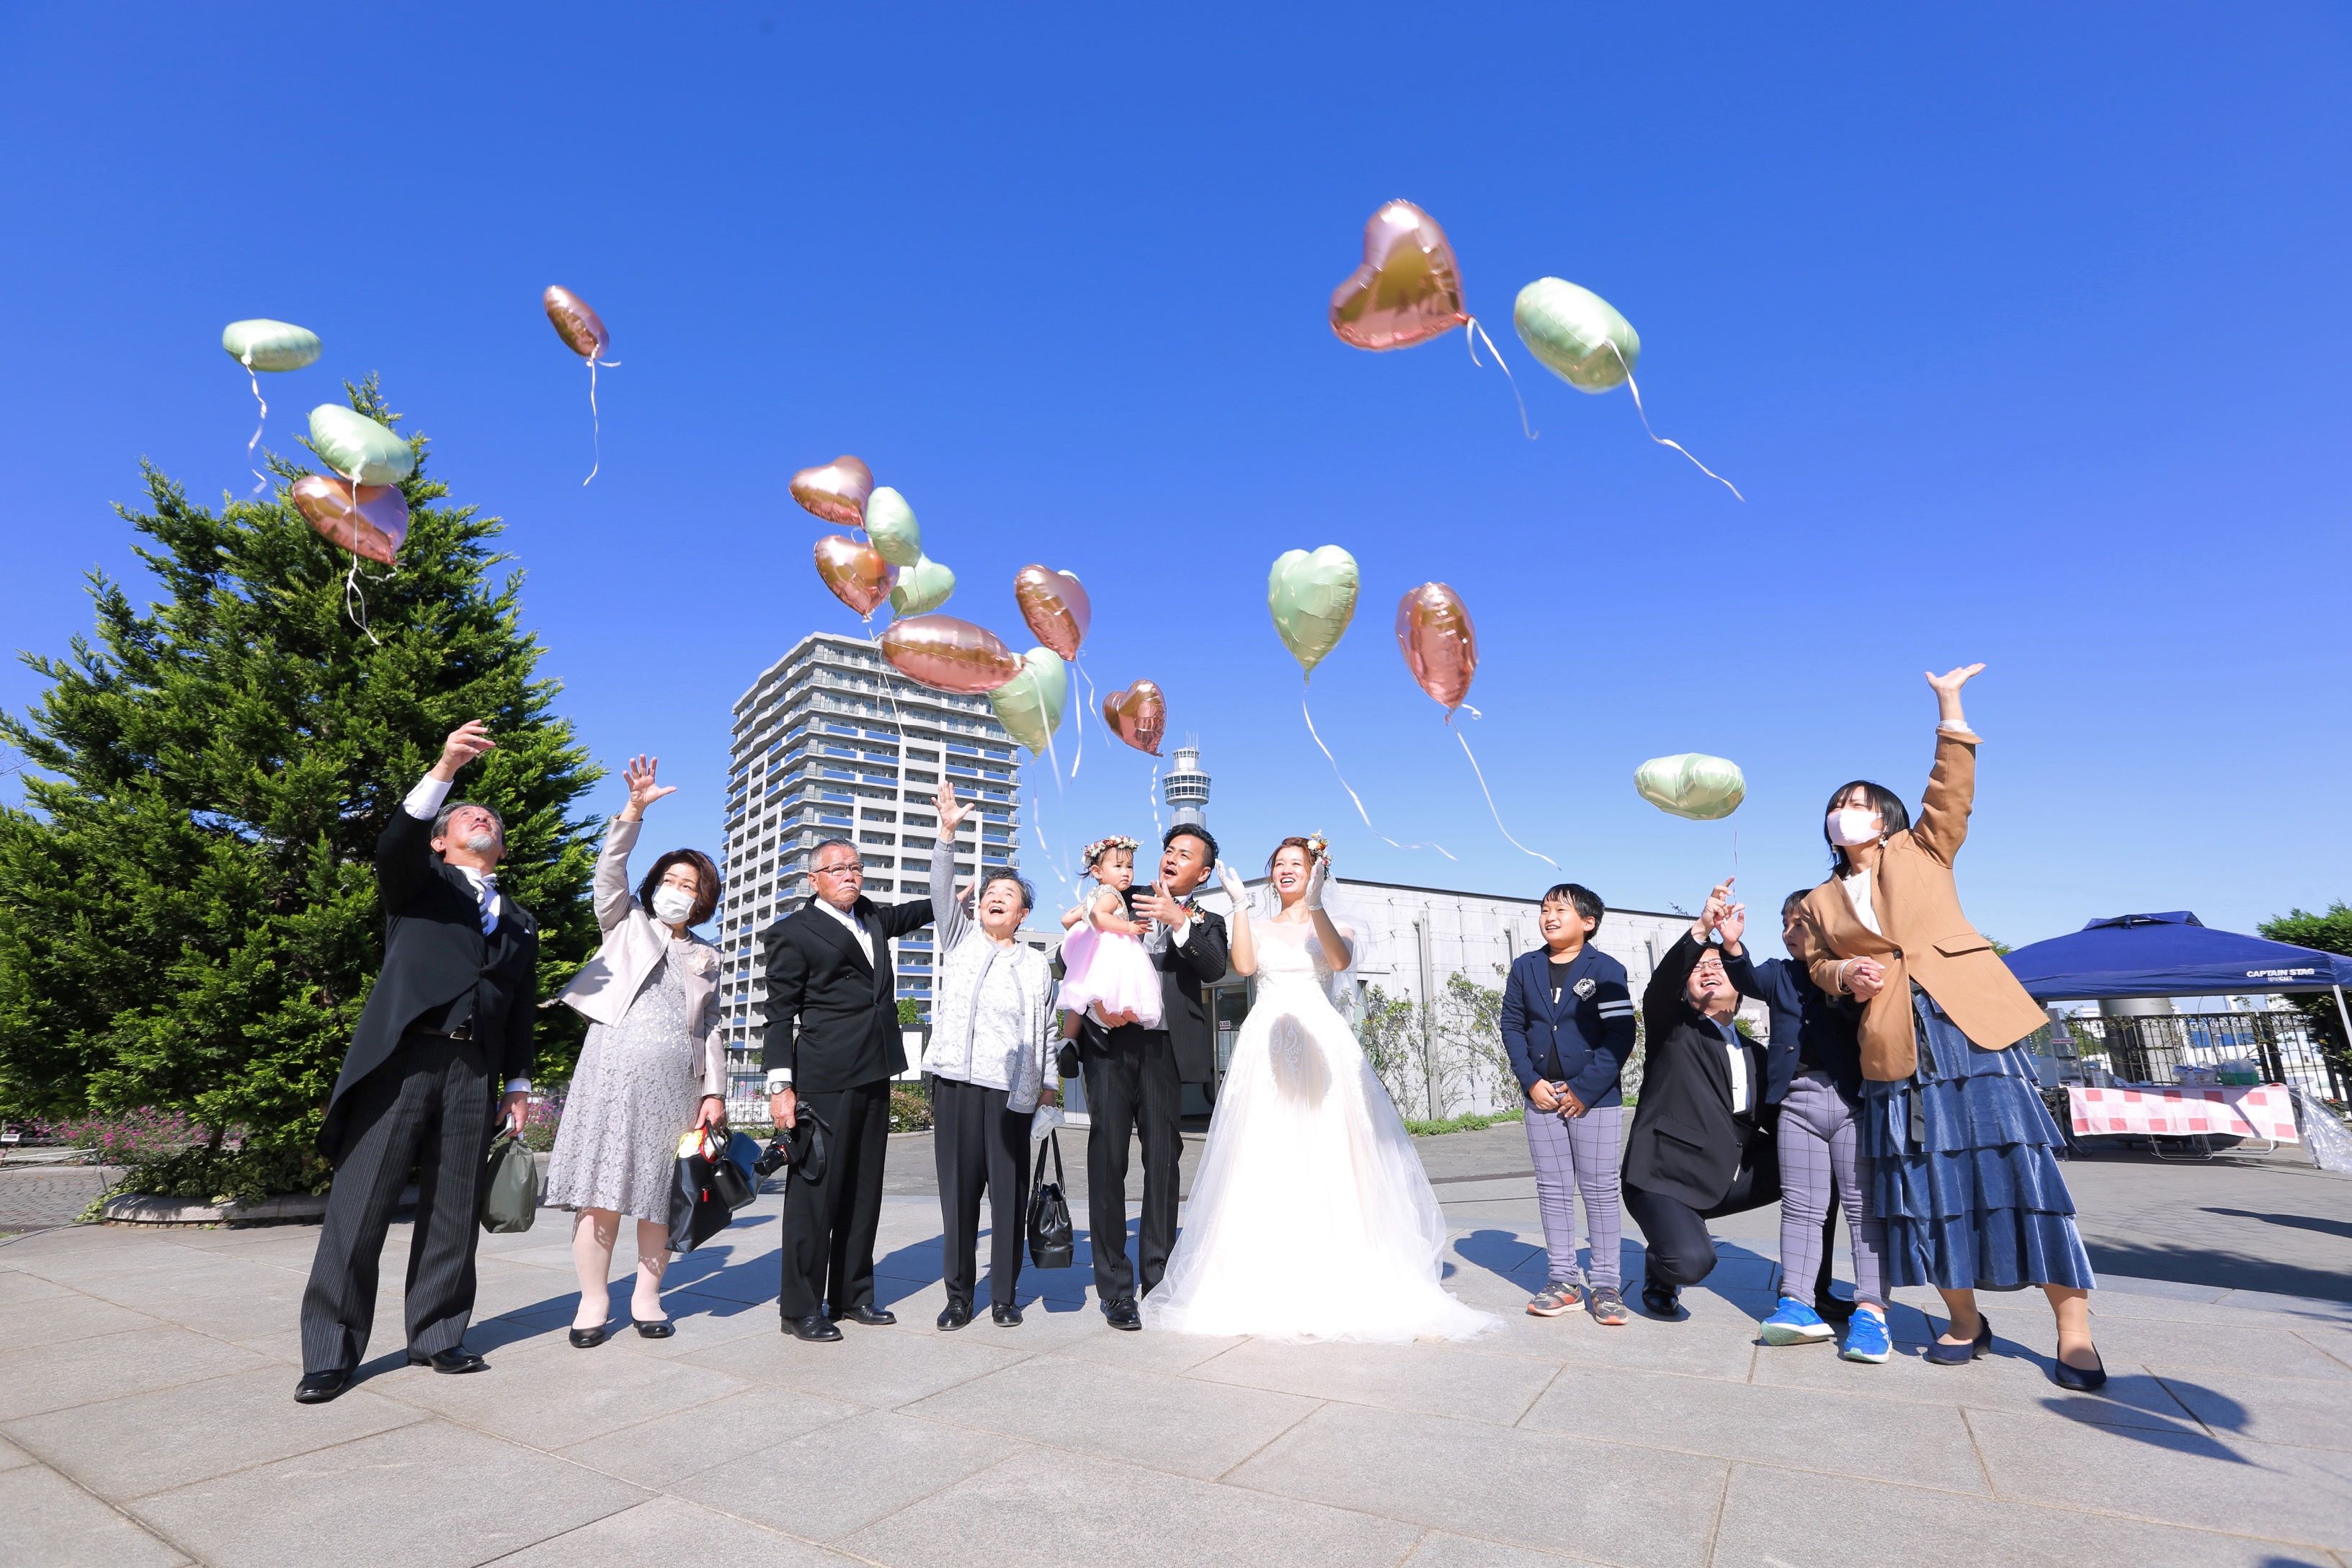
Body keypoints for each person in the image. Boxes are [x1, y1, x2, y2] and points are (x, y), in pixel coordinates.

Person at [1794, 664, 2103, 1390]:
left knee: (2018, 1169)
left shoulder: (1924, 848)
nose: (1849, 811)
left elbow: (1950, 784)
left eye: (1862, 803)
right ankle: (1964, 1320)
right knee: (1921, 1185)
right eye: (1839, 804)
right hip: (1895, 1045)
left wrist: (1950, 705)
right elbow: (1815, 967)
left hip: (1972, 1028)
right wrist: (1848, 975)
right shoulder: (1815, 899)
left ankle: (2074, 1327)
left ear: (1888, 818)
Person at [1142, 837, 1494, 1341]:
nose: (1286, 871)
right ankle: (1257, 1278)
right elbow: (1243, 967)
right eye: (1279, 865)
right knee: (1262, 1153)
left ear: (1315, 872)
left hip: (1321, 1044)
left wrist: (1315, 908)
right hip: (1264, 1041)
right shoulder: (1257, 924)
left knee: (1330, 1151)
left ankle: (1339, 1270)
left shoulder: (1334, 922)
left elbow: (1340, 960)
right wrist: (1240, 905)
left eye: (1296, 864)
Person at [296, 721, 538, 1404]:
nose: (479, 816)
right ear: (442, 838)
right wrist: (445, 769)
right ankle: (331, 1352)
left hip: (474, 1069)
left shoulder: (521, 921)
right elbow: (394, 843)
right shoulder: (420, 885)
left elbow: (517, 1007)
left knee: (453, 1207)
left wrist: (517, 1083)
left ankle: (436, 1333)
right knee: (362, 1203)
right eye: (465, 815)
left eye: (488, 816)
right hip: (402, 1058)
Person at [544, 754, 726, 1348]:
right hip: (611, 1074)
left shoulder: (707, 955)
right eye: (670, 881)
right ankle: (593, 1301)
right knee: (601, 1195)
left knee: (658, 1195)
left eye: (689, 886)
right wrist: (633, 812)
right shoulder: (625, 924)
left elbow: (713, 1027)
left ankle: (646, 1298)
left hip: (676, 1085)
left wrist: (714, 1091)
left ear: (703, 900)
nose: (677, 892)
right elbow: (608, 871)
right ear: (655, 886)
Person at [762, 835, 934, 1341]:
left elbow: (923, 910)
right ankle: (800, 1308)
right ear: (813, 879)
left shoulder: (874, 918)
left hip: (875, 1070)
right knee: (815, 1196)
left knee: (864, 1191)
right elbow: (779, 1015)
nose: (850, 876)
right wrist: (780, 1086)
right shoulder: (793, 932)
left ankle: (854, 1294)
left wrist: (952, 874)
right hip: (824, 1077)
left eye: (856, 867)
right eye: (837, 869)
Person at [1079, 823, 1229, 1329]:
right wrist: (1096, 1007)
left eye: (1184, 854)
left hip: (1166, 1050)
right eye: (1168, 849)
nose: (1170, 857)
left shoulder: (1208, 919)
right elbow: (1075, 945)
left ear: (1201, 872)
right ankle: (1115, 1288)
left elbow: (1213, 969)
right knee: (1107, 1159)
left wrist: (1178, 920)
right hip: (1112, 1042)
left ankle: (1158, 1278)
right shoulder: (1124, 894)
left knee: (1164, 1164)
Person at [921, 780, 1057, 1329]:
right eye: (988, 893)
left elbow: (1047, 1027)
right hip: (955, 1083)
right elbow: (939, 890)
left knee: (1006, 1197)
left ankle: (1003, 1296)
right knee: (959, 1199)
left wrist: (1046, 1087)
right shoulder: (959, 939)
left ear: (1023, 912)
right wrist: (947, 836)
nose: (994, 897)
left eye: (1007, 895)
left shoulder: (1035, 964)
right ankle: (958, 1297)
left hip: (1011, 1095)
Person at [1621, 883, 1780, 1319]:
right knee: (1691, 1262)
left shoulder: (1757, 1056)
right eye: (1699, 968)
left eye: (1720, 967)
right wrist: (1701, 930)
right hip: (1661, 1178)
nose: (1709, 971)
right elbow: (1661, 989)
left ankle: (1809, 1287)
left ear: (1741, 987)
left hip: (1720, 1176)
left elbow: (1783, 1123)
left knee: (1817, 1161)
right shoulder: (1674, 1030)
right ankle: (1659, 1264)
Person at [1750, 890, 1890, 1364]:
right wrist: (1727, 942)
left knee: (1862, 1208)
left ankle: (1872, 1313)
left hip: (1855, 1103)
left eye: (1801, 923)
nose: (1791, 933)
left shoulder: (1854, 968)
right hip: (1797, 1103)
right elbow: (1741, 976)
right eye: (1785, 923)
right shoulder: (1778, 972)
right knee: (1802, 1208)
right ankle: (1797, 1303)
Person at [1498, 883, 1636, 1324]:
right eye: (1544, 909)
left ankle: (1607, 1285)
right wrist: (1531, 1082)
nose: (1550, 916)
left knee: (1599, 1191)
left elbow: (1622, 1035)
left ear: (1588, 922)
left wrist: (1584, 1090)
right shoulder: (1526, 967)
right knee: (1553, 1189)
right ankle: (1563, 1280)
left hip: (1595, 1100)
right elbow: (1512, 1026)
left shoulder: (1608, 968)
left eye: (1561, 910)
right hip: (1541, 1095)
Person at [1057, 836, 1163, 1032]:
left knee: (1106, 984)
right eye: (1118, 866)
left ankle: (1099, 1012)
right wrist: (1129, 928)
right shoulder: (1110, 894)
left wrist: (1084, 930)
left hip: (1096, 946)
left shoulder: (1092, 896)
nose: (1126, 873)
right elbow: (1099, 915)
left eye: (1129, 867)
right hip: (1112, 946)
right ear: (1097, 871)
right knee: (1121, 984)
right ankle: (1101, 1013)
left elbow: (1066, 920)